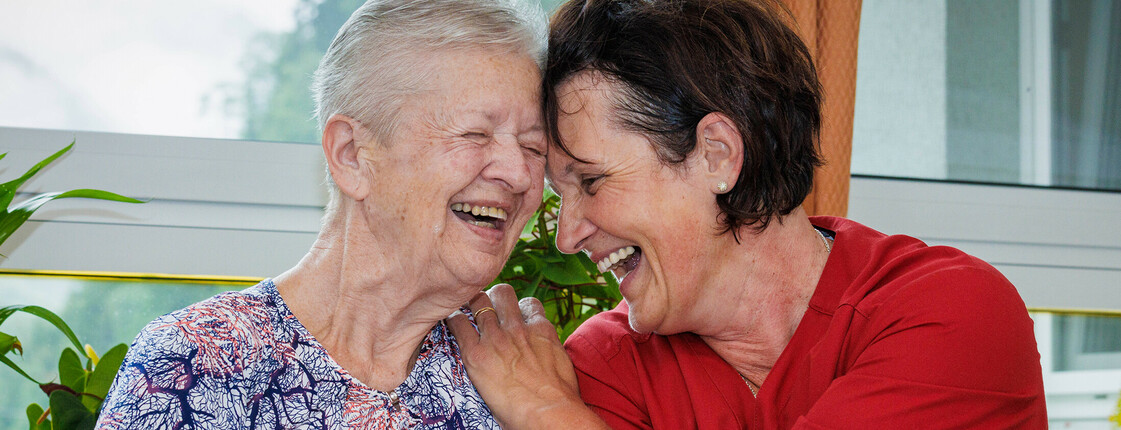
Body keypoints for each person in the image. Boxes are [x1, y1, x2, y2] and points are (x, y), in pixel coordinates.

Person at [447, 0, 1048, 428]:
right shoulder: (606, 365)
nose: (568, 235)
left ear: (718, 155)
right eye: (558, 194)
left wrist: (548, 414)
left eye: (593, 180)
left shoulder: (950, 314)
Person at [95, 0, 547, 428]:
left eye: (533, 146)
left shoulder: (519, 374)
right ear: (351, 155)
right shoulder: (195, 366)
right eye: (474, 133)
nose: (520, 174)